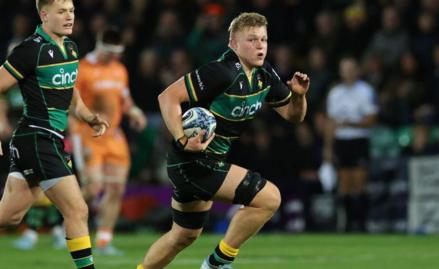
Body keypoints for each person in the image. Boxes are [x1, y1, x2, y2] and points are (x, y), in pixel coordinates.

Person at [137, 12, 310, 269]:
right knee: (269, 198)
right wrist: (182, 139)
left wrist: (298, 96)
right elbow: (167, 97)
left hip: (196, 163)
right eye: (251, 39)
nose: (260, 45)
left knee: (183, 235)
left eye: (263, 39)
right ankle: (218, 263)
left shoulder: (265, 74)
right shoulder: (221, 71)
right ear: (234, 44)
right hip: (194, 161)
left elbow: (293, 116)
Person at [0, 1, 109, 269]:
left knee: (10, 218)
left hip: (46, 140)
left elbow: (70, 92)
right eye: (62, 11)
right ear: (44, 14)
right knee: (77, 209)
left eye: (71, 10)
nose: (69, 16)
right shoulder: (30, 50)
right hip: (37, 138)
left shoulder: (70, 48)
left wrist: (89, 117)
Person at [71, 26, 146, 255]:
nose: (115, 58)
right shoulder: (82, 69)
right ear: (100, 46)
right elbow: (71, 105)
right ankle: (63, 222)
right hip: (89, 135)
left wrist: (134, 111)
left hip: (114, 136)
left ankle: (104, 240)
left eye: (118, 54)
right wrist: (83, 126)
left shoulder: (119, 69)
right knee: (93, 188)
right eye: (111, 53)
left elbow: (124, 98)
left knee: (116, 188)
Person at [323, 56, 378, 232]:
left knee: (360, 182)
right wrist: (328, 148)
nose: (347, 73)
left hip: (359, 139)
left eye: (351, 68)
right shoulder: (335, 93)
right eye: (344, 69)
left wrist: (349, 123)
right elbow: (331, 123)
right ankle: (346, 224)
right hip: (341, 141)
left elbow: (371, 119)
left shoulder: (366, 91)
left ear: (357, 70)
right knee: (344, 183)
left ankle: (362, 223)